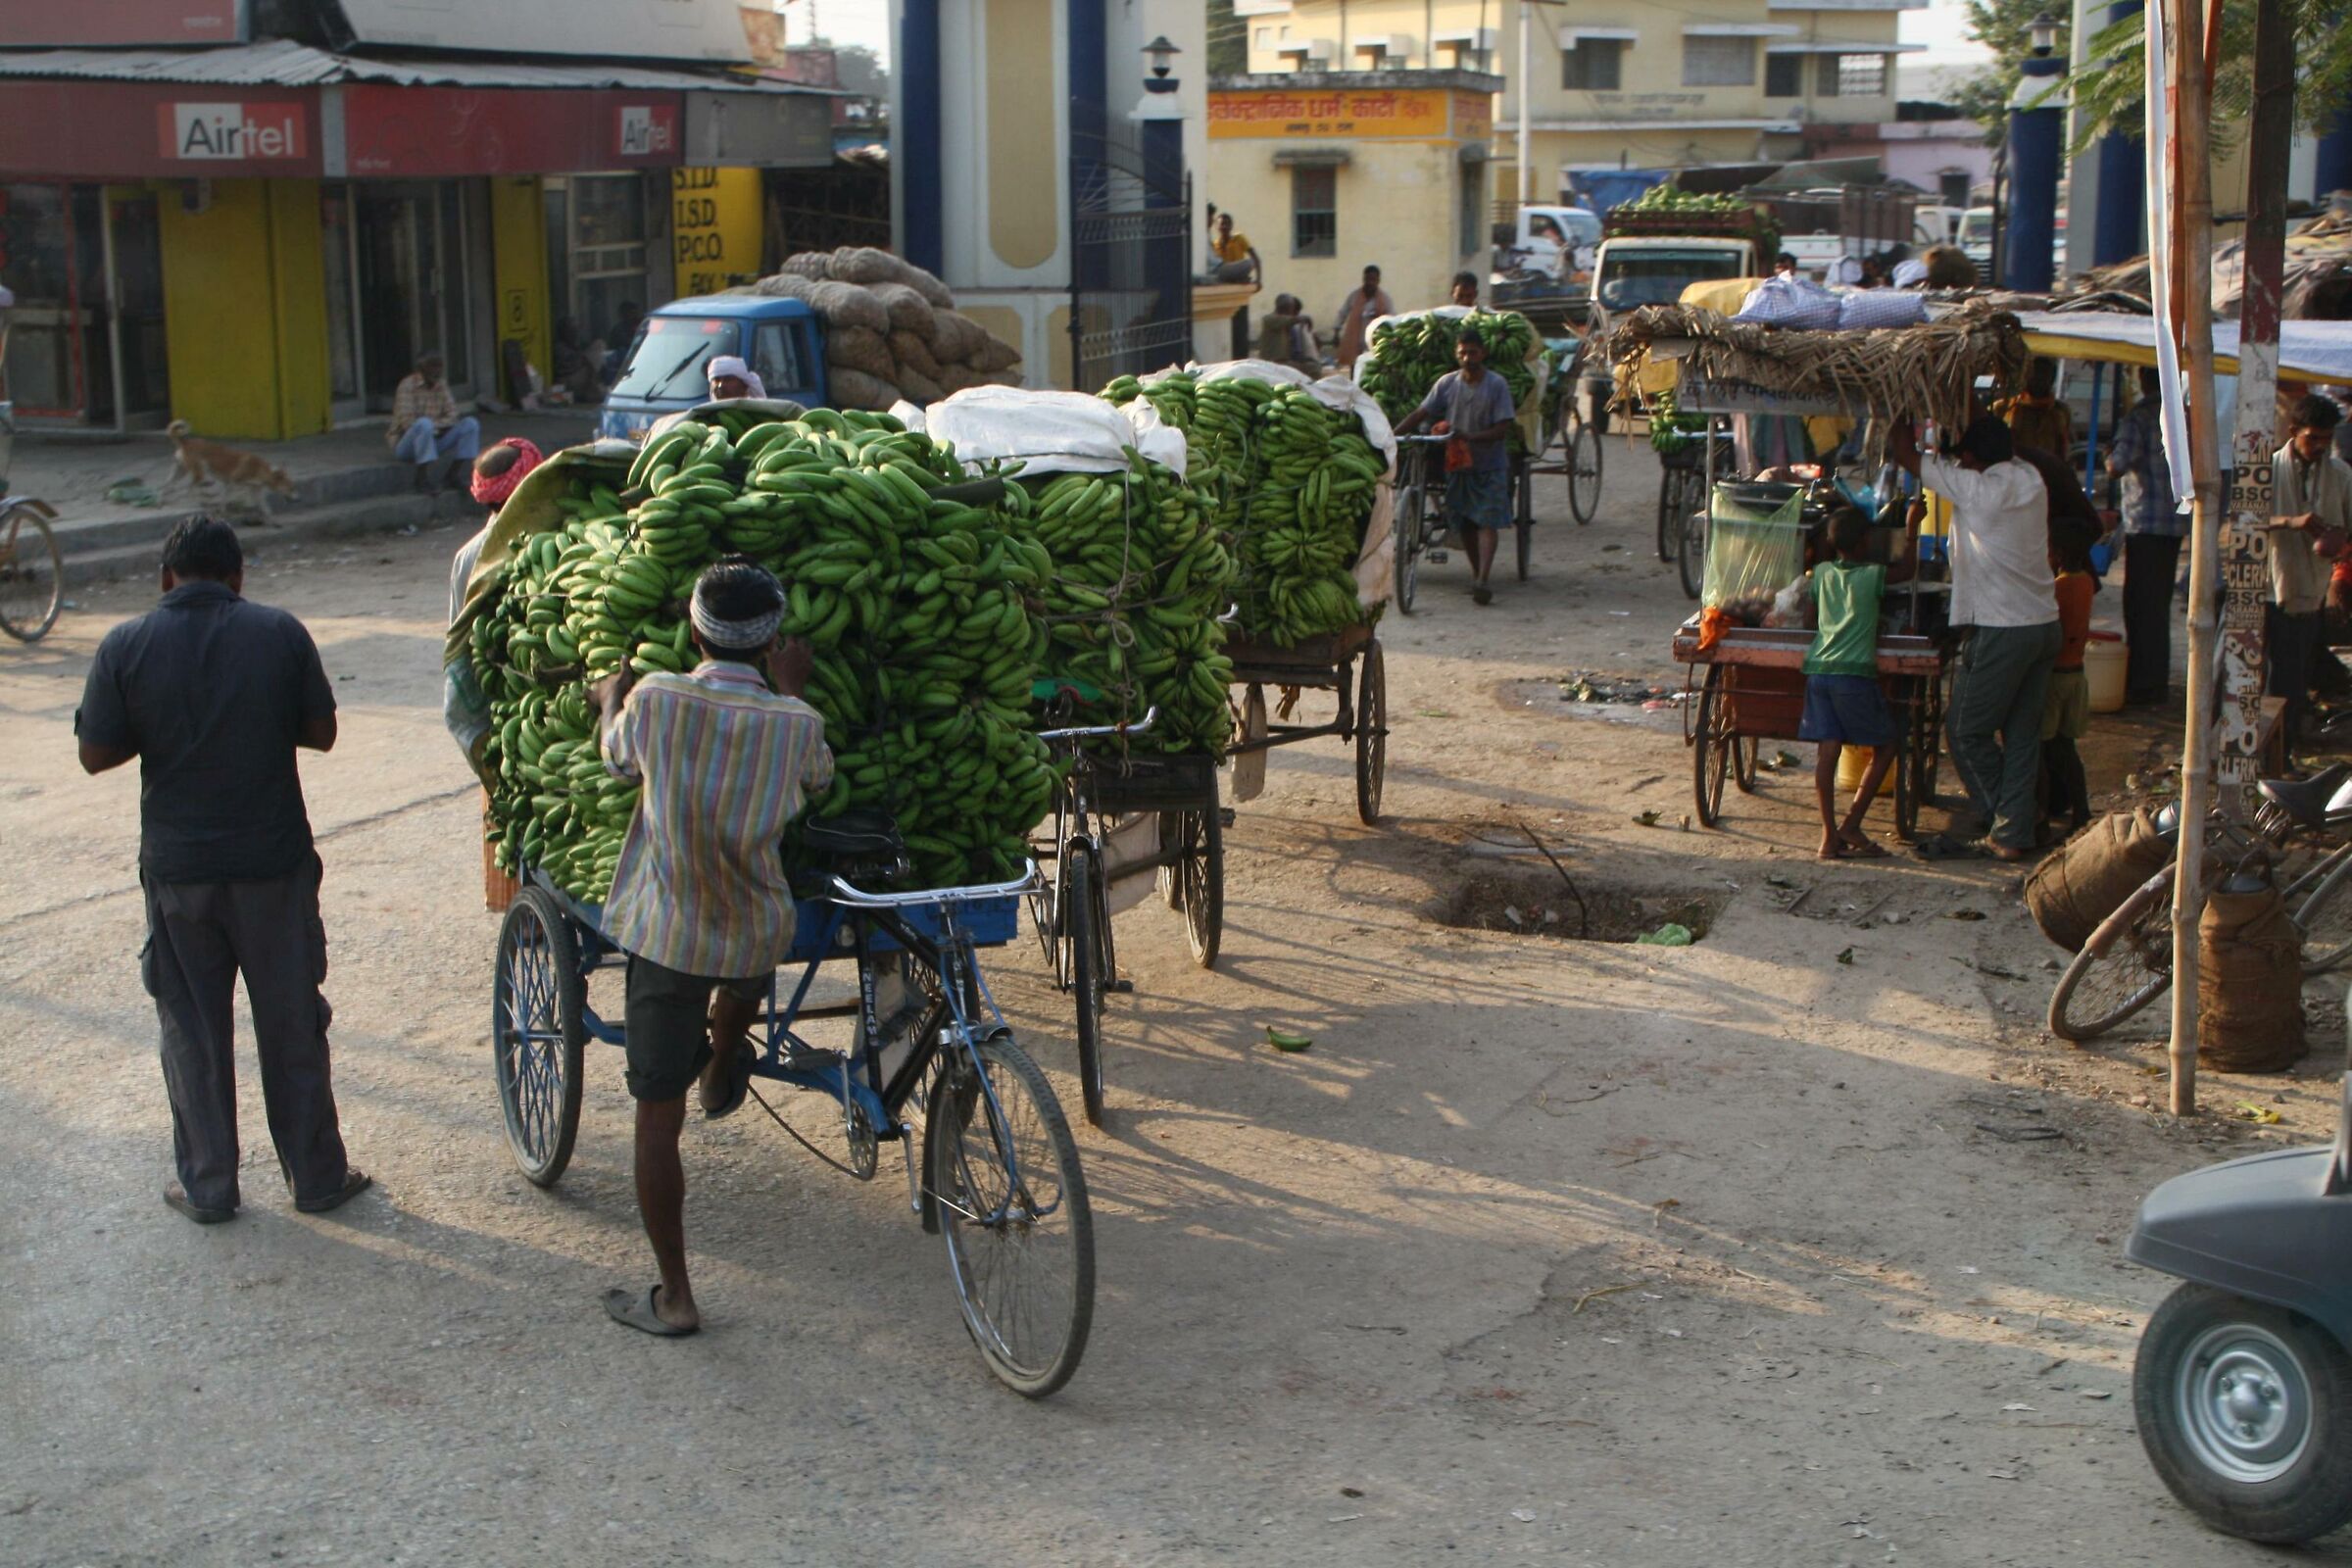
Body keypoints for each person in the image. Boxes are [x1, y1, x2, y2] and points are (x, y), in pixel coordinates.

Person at [74, 516, 368, 1224]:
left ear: (165, 577)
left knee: (193, 1030)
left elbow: (93, 753)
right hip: (272, 866)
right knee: (292, 1022)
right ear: (238, 578)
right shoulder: (279, 633)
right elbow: (322, 733)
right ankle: (318, 1179)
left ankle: (209, 1186)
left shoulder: (126, 644)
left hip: (181, 875)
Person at [588, 560, 834, 1337]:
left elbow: (616, 759)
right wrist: (790, 693)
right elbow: (817, 781)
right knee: (741, 975)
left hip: (670, 928)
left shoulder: (657, 698)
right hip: (757, 924)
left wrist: (607, 703)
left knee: (656, 1121)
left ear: (694, 630)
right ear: (773, 645)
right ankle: (726, 1054)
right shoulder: (798, 721)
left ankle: (677, 1297)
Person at [1895, 415, 2060, 861]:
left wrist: (1899, 414)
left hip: (2003, 629)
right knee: (2022, 734)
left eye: (1962, 456)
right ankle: (2020, 822)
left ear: (1971, 458)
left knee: (1965, 731)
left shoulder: (1978, 489)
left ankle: (2008, 825)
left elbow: (1905, 455)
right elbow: (1993, 449)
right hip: (2043, 624)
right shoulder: (2030, 478)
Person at [1802, 505, 1918, 860]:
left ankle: (1828, 837)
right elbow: (1908, 570)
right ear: (1866, 541)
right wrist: (1912, 527)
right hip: (1853, 675)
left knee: (1828, 751)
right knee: (1885, 747)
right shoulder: (1872, 575)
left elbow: (1810, 623)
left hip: (1819, 671)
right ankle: (1851, 823)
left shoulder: (1820, 573)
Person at [444, 439, 546, 774]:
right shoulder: (554, 538)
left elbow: (458, 643)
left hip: (498, 703)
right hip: (536, 695)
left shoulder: (468, 556)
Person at [1393, 330, 1516, 606]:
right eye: (1462, 353)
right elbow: (1420, 413)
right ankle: (1477, 575)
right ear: (1456, 354)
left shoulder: (1497, 385)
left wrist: (1471, 437)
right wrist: (1391, 436)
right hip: (1458, 464)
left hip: (1489, 464)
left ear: (1482, 353)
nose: (1467, 358)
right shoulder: (1447, 384)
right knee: (1467, 524)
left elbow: (1502, 428)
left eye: (1472, 352)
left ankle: (1483, 577)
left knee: (1486, 521)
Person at [2269, 393, 2352, 744]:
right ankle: (2272, 752)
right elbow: (2239, 523)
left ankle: (2287, 747)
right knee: (2271, 678)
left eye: (2326, 439)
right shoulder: (2267, 468)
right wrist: (2291, 521)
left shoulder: (2340, 474)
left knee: (2295, 676)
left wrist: (2339, 540)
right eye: (2312, 437)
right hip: (2269, 587)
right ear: (2293, 432)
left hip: (2311, 589)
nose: (2319, 445)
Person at [2107, 367, 2182, 705]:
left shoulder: (2139, 417)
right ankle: (2154, 682)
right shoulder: (2180, 414)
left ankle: (2143, 685)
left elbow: (2117, 465)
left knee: (2140, 606)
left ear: (2142, 379)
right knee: (2158, 605)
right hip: (2172, 523)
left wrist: (2106, 456)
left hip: (2146, 524)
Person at [2040, 517, 2099, 838]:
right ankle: (2081, 809)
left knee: (2042, 747)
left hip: (2055, 677)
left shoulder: (2058, 588)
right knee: (2066, 748)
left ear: (2057, 554)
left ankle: (2041, 815)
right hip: (2076, 674)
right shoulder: (2086, 581)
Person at [389, 352, 481, 490]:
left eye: (439, 366)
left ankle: (452, 475)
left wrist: (437, 427)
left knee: (470, 424)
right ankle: (421, 479)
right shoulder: (407, 385)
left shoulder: (441, 385)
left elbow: (453, 415)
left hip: (435, 438)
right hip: (407, 445)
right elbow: (408, 422)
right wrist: (437, 426)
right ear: (421, 368)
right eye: (432, 366)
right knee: (423, 424)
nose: (437, 371)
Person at [2001, 358, 2073, 463]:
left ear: (2052, 378)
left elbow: (2063, 445)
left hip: (2049, 470)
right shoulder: (2007, 408)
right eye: (2035, 373)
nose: (2039, 378)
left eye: (2044, 374)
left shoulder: (2061, 411)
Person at [1334, 264, 1395, 370]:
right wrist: (1336, 331)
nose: (1370, 282)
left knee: (1372, 370)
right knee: (1355, 369)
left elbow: (1392, 318)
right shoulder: (1354, 296)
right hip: (1355, 343)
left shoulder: (1385, 299)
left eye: (1373, 279)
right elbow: (1342, 313)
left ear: (1378, 280)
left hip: (1375, 343)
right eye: (1368, 279)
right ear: (1364, 279)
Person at [1254, 294, 1321, 374]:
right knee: (1313, 370)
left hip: (1287, 361)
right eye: (1291, 309)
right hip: (1274, 362)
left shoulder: (1289, 325)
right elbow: (1286, 320)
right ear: (1285, 308)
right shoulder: (1269, 320)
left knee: (1313, 366)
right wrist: (1302, 319)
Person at [1209, 211, 1259, 284]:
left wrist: (1258, 280)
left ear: (1231, 226)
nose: (1225, 227)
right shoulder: (1214, 245)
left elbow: (1255, 257)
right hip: (1224, 275)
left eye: (1227, 224)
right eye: (1222, 224)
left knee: (1250, 262)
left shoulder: (1239, 238)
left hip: (1237, 272)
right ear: (1217, 227)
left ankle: (1240, 279)